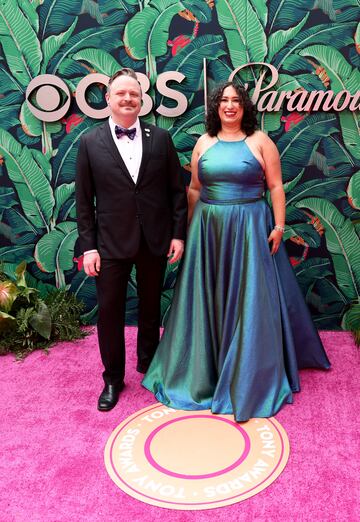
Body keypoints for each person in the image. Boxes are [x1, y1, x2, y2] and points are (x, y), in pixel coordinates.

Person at [143, 81, 330, 422]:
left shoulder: (260, 141)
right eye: (224, 100)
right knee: (209, 296)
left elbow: (275, 186)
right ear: (216, 107)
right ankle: (206, 369)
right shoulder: (204, 142)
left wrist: (278, 226)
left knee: (250, 298)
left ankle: (249, 373)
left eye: (236, 101)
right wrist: (188, 232)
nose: (230, 106)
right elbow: (195, 189)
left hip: (249, 227)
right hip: (209, 229)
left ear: (245, 107)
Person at [76, 68, 187, 411]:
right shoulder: (90, 142)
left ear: (142, 100)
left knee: (152, 307)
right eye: (121, 93)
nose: (128, 99)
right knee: (109, 312)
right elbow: (83, 200)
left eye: (134, 94)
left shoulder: (161, 138)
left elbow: (176, 193)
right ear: (108, 99)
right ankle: (112, 379)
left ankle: (149, 365)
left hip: (154, 239)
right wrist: (89, 246)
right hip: (109, 243)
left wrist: (178, 235)